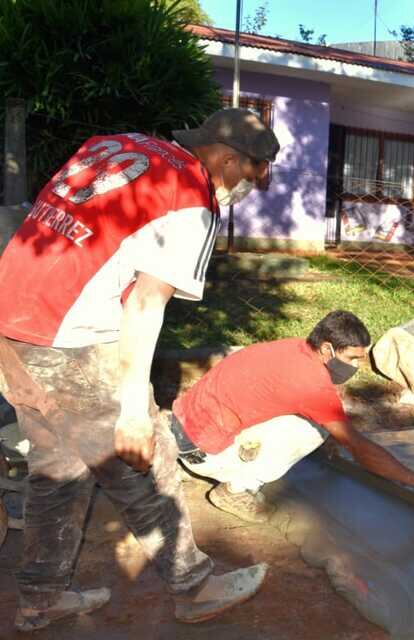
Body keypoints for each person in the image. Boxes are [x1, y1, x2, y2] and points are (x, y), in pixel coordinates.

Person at [0, 108, 281, 631]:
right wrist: (132, 410)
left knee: (57, 470)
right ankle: (195, 588)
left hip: (12, 318)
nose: (255, 182)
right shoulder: (191, 199)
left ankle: (39, 600)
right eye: (254, 169)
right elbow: (147, 303)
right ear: (226, 158)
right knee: (147, 466)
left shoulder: (119, 143)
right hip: (71, 338)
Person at [169, 310, 414, 523]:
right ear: (328, 349)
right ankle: (236, 490)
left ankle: (200, 464)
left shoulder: (292, 348)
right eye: (352, 358)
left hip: (180, 432)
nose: (357, 367)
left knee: (318, 418)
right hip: (203, 452)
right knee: (317, 428)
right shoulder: (310, 384)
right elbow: (359, 448)